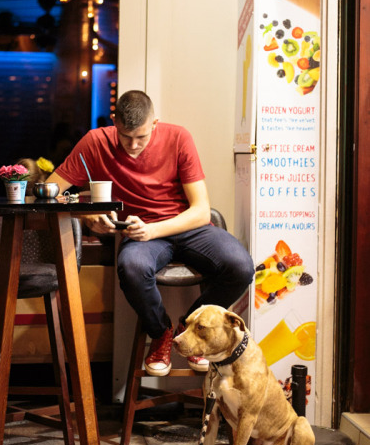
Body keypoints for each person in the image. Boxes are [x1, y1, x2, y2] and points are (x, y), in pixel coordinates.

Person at [46, 90, 255, 377]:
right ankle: (160, 333)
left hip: (186, 228)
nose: (132, 145)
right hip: (141, 236)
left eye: (141, 137)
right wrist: (86, 213)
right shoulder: (96, 142)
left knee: (241, 267)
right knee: (131, 268)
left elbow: (201, 212)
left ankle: (190, 327)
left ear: (155, 123)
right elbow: (51, 193)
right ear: (114, 123)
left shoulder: (179, 137)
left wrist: (153, 229)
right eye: (125, 136)